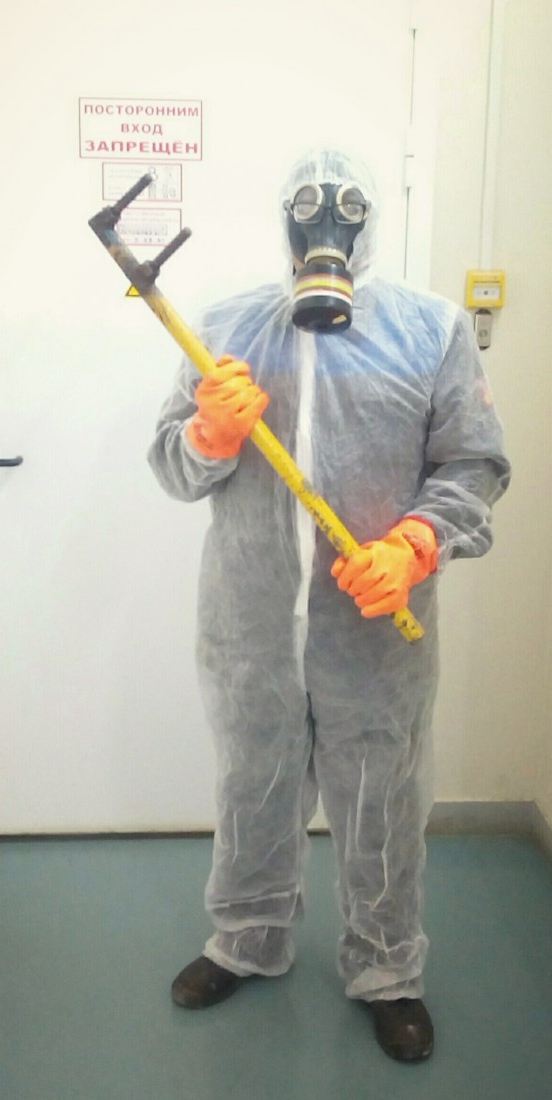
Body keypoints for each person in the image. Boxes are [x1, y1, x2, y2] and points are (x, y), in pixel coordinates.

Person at [147, 148, 510, 1062]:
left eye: (347, 211)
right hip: (253, 623)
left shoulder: (431, 330)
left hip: (377, 631)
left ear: (370, 224)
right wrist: (208, 433)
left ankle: (388, 969)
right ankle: (246, 939)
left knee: (383, 799)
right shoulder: (225, 327)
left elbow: (473, 464)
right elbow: (173, 466)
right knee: (252, 785)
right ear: (284, 221)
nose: (327, 230)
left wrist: (415, 544)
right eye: (309, 210)